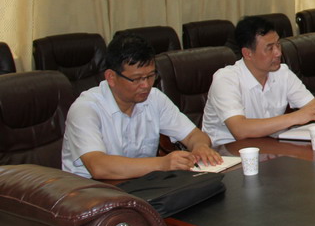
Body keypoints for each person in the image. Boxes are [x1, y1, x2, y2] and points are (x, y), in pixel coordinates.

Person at [62, 32, 221, 179]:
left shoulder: (154, 98)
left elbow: (193, 135)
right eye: (137, 79)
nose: (146, 85)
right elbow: (98, 166)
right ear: (111, 77)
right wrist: (162, 164)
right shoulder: (85, 109)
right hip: (90, 191)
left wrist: (200, 147)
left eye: (151, 76)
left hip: (141, 184)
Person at [202, 16, 315, 146]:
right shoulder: (226, 79)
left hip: (269, 148)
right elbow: (240, 130)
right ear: (248, 53)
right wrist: (296, 117)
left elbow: (312, 106)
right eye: (269, 48)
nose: (278, 53)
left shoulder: (282, 72)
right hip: (228, 155)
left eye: (278, 44)